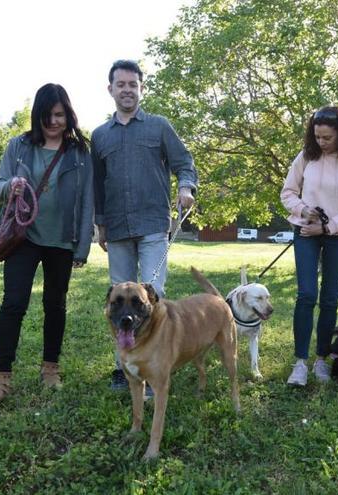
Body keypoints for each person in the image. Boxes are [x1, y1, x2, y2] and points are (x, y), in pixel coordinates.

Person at [0, 83, 94, 404]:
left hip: (62, 240)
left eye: (59, 115)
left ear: (68, 114)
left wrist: (82, 246)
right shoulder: (18, 146)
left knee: (55, 306)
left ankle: (50, 370)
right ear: (36, 116)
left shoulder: (80, 153)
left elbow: (88, 201)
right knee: (13, 303)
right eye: (47, 116)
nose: (54, 121)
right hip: (23, 236)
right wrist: (9, 187)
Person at [91, 59, 198, 391]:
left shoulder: (159, 126)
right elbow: (97, 183)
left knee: (153, 297)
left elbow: (184, 163)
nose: (127, 90)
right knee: (120, 300)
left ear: (141, 88)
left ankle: (154, 368)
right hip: (118, 228)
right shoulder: (99, 136)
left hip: (153, 224)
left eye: (132, 84)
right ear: (110, 89)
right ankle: (123, 368)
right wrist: (100, 224)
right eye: (120, 84)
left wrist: (185, 188)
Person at [280, 106, 338, 386]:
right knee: (306, 294)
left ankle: (322, 359)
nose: (321, 142)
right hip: (306, 232)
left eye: (327, 137)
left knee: (330, 298)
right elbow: (287, 193)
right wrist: (303, 210)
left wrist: (329, 226)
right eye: (317, 136)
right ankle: (300, 363)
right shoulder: (306, 156)